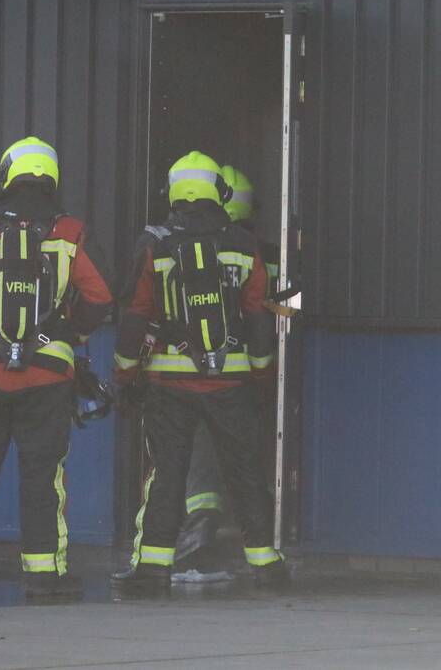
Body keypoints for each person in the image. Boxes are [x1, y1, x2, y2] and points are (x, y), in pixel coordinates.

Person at [0, 136, 113, 602]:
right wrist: (71, 334)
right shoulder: (70, 232)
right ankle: (43, 575)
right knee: (42, 473)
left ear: (7, 172)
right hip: (48, 371)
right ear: (52, 177)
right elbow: (101, 297)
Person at [112, 151, 287, 591]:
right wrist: (263, 376)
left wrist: (126, 375)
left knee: (168, 475)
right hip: (231, 383)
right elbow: (262, 319)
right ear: (217, 192)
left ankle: (153, 568)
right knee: (245, 471)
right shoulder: (245, 248)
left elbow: (134, 313)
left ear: (172, 193)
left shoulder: (155, 244)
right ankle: (266, 565)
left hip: (169, 385)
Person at [173, 164, 279, 579]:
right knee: (246, 458)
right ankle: (263, 549)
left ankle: (197, 540)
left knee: (200, 459)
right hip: (248, 375)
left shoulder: (180, 247)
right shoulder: (265, 253)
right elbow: (290, 306)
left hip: (190, 373)